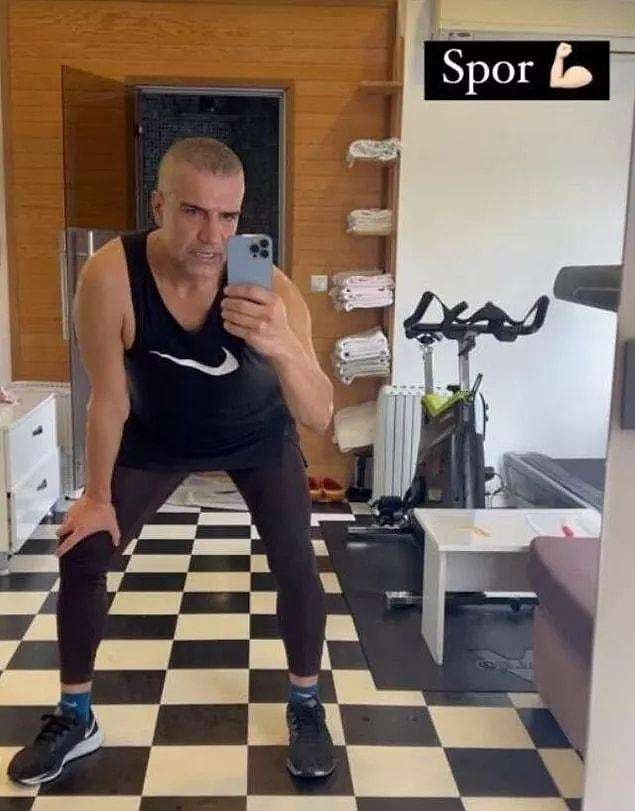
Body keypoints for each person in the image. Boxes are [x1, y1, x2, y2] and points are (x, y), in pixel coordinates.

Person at [8, 137, 336, 785]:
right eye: (193, 212)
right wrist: (96, 498)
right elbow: (107, 398)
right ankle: (76, 716)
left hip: (256, 436)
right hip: (155, 436)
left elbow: (319, 412)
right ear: (158, 205)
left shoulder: (267, 285)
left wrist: (280, 343)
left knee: (297, 559)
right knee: (82, 551)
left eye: (228, 216)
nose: (212, 236)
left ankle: (304, 702)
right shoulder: (110, 276)